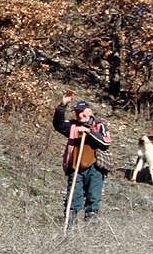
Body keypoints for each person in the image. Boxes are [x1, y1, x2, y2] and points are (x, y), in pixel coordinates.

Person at [53, 91, 112, 224]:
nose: (80, 115)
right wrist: (62, 106)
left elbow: (106, 143)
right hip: (76, 168)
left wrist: (89, 132)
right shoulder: (73, 126)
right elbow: (58, 125)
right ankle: (69, 228)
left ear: (90, 112)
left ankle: (90, 231)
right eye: (77, 112)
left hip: (95, 168)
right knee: (73, 200)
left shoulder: (99, 126)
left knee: (93, 198)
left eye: (82, 112)